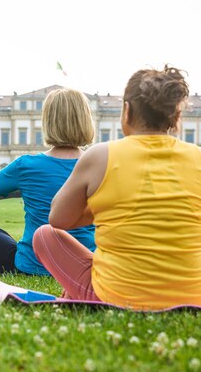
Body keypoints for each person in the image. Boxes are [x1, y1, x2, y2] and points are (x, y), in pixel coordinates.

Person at [33, 66, 201, 310]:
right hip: (193, 297)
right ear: (175, 117)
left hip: (116, 296)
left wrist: (105, 208)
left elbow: (58, 219)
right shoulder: (197, 157)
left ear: (126, 111)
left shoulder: (100, 155)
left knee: (44, 236)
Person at [0, 88, 96, 274]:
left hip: (33, 265)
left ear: (47, 123)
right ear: (86, 121)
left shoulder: (26, 165)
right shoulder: (99, 165)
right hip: (84, 266)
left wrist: (27, 188)